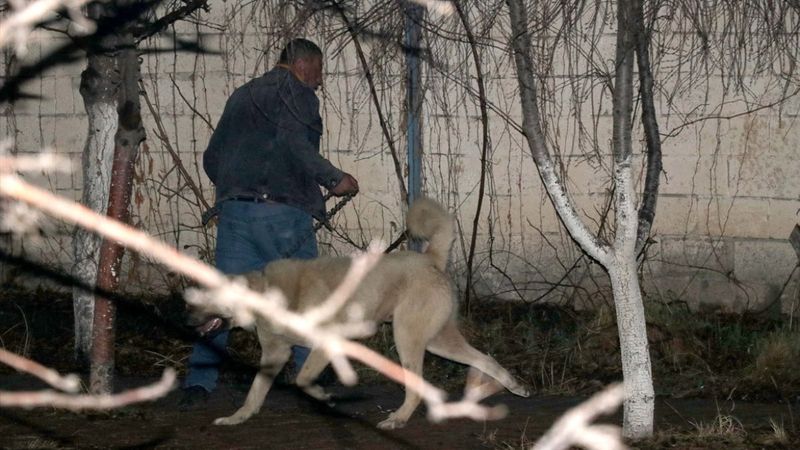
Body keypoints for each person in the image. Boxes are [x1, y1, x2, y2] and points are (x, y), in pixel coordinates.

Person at [180, 38, 359, 407]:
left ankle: (199, 382)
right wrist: (335, 179)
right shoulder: (300, 94)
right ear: (304, 65)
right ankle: (310, 380)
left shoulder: (242, 95)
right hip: (283, 216)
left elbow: (213, 157)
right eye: (320, 71)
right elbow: (298, 147)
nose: (320, 81)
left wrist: (236, 189)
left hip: (235, 214)